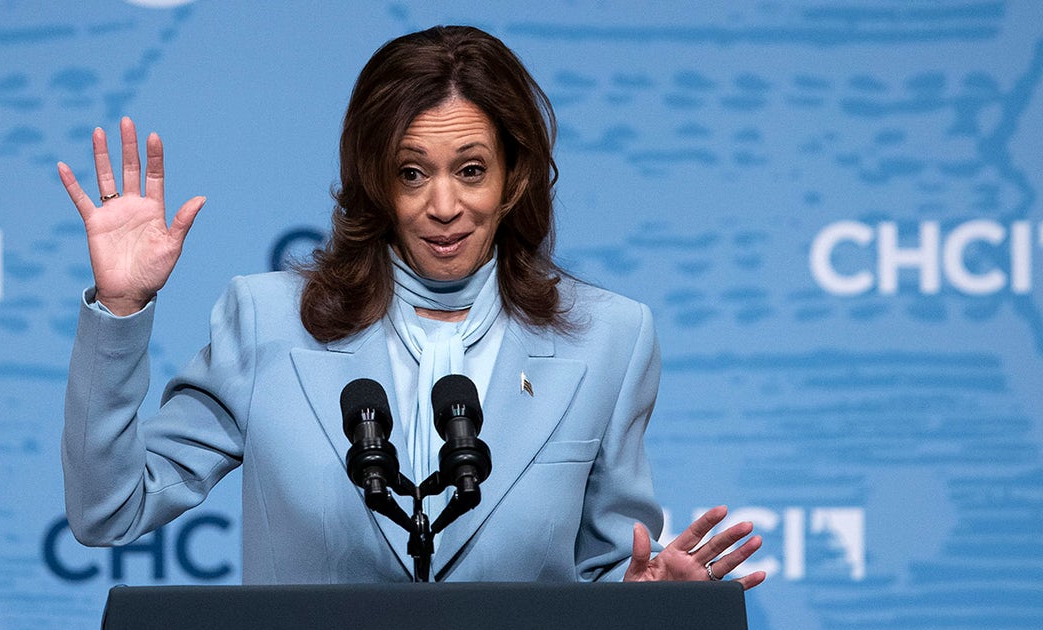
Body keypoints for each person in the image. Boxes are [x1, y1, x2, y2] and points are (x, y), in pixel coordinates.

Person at [57, 25, 765, 587]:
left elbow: (603, 573)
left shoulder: (609, 340)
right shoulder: (266, 322)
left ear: (514, 178)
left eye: (471, 169)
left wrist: (639, 600)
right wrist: (121, 309)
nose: (444, 205)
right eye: (412, 172)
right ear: (375, 182)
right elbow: (109, 509)